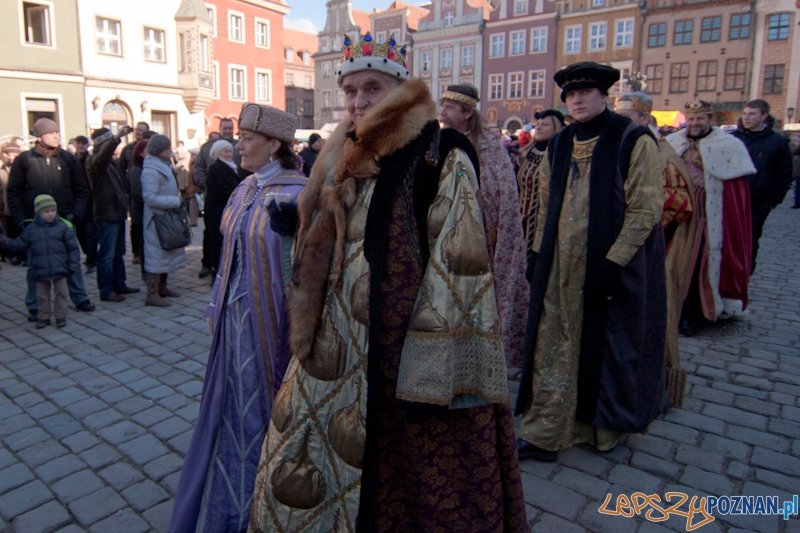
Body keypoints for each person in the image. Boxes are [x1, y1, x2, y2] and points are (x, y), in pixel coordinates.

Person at [248, 33, 526, 532]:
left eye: (371, 88)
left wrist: (436, 369)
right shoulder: (341, 150)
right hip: (336, 339)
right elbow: (341, 231)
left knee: (413, 478)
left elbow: (460, 262)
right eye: (349, 90)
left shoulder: (440, 152)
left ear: (400, 87)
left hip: (406, 346)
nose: (356, 102)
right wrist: (303, 222)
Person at [516, 62, 668, 462]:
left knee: (605, 346)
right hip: (559, 265)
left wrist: (613, 263)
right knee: (553, 344)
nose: (577, 99)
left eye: (586, 92)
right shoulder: (562, 141)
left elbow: (645, 210)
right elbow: (545, 203)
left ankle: (598, 427)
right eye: (570, 94)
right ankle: (547, 429)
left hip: (610, 266)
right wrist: (536, 252)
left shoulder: (633, 141)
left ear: (605, 96)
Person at [170, 104, 307, 533]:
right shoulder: (243, 187)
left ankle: (268, 495)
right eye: (240, 136)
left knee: (268, 408)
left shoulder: (302, 193)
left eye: (248, 138)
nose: (239, 144)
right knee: (230, 405)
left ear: (275, 145)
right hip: (234, 320)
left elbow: (311, 270)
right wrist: (215, 304)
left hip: (275, 324)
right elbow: (226, 251)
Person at [438, 84, 529, 369]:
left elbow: (502, 196)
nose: (442, 111)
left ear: (467, 112)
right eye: (441, 105)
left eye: (449, 107)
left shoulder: (488, 147)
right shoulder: (440, 141)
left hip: (481, 241)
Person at [614, 92, 696, 406]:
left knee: (645, 319)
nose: (618, 123)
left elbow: (682, 203)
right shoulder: (614, 146)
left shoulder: (663, 154)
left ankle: (650, 389)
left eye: (627, 118)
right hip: (614, 249)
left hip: (649, 250)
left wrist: (641, 213)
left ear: (645, 119)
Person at [667, 100, 756, 326]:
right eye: (691, 118)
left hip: (707, 221)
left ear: (710, 120)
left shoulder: (728, 145)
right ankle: (667, 310)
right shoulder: (672, 143)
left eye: (700, 118)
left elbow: (736, 195)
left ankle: (692, 314)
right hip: (674, 218)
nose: (695, 123)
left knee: (698, 267)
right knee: (670, 265)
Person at [7, 118, 95, 319]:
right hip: (34, 224)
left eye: (57, 132)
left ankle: (80, 297)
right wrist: (22, 220)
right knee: (35, 265)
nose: (56, 135)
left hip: (63, 221)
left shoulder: (68, 159)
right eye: (51, 133)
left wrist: (73, 216)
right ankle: (35, 305)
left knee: (72, 261)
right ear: (39, 137)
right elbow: (14, 192)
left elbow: (82, 190)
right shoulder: (24, 160)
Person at [731, 99, 793, 271]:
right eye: (745, 113)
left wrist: (772, 202)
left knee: (749, 242)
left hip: (757, 203)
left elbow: (784, 174)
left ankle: (744, 279)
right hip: (732, 201)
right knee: (728, 242)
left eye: (752, 114)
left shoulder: (777, 142)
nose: (746, 117)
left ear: (764, 116)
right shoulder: (733, 139)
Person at [0, 195, 80, 328]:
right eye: (46, 211)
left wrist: (73, 265)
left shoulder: (62, 226)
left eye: (53, 211)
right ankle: (43, 316)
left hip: (60, 267)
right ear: (38, 212)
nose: (50, 214)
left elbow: (72, 248)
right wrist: (4, 241)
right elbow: (19, 244)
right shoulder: (31, 229)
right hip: (40, 268)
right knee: (42, 295)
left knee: (61, 293)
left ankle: (61, 315)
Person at [86, 125, 140, 302]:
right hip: (106, 213)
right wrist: (116, 136)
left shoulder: (112, 163)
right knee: (107, 255)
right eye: (110, 142)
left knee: (118, 252)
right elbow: (102, 156)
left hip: (117, 212)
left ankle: (119, 284)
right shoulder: (95, 162)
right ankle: (106, 289)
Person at [140, 134, 185, 307]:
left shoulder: (164, 165)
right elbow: (150, 198)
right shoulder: (151, 170)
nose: (171, 150)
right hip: (156, 219)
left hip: (167, 216)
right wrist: (175, 202)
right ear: (160, 150)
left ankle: (162, 288)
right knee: (156, 256)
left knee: (166, 253)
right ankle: (151, 294)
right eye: (168, 148)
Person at [197, 119, 244, 278]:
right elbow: (199, 170)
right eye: (225, 128)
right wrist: (206, 186)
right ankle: (212, 267)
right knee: (213, 237)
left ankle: (225, 268)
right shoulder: (211, 152)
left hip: (229, 206)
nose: (228, 130)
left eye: (230, 128)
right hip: (217, 206)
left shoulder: (237, 149)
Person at [516, 110, 564, 257]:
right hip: (521, 220)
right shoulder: (525, 155)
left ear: (556, 128)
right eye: (537, 124)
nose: (539, 127)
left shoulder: (560, 155)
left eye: (545, 124)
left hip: (547, 224)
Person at [0, 143, 22, 262]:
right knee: (11, 232)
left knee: (21, 231)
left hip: (20, 206)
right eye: (8, 154)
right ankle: (14, 255)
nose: (10, 157)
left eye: (13, 154)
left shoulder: (23, 166)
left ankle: (23, 255)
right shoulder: (3, 169)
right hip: (7, 206)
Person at [186, 148, 201, 225]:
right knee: (193, 205)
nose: (191, 156)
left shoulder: (197, 164)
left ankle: (193, 221)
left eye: (193, 155)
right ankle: (193, 220)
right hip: (192, 188)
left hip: (195, 189)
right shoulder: (191, 163)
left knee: (194, 205)